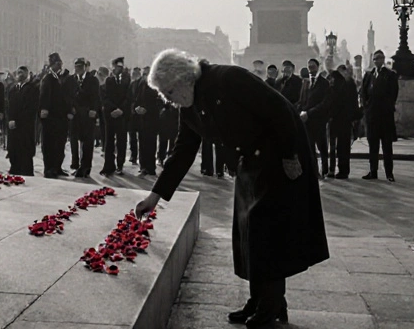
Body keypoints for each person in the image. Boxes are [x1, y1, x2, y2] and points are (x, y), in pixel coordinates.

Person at [133, 50, 328, 328]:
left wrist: (289, 156)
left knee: (267, 231)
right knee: (248, 231)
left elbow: (280, 110)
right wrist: (155, 195)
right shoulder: (187, 104)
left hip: (279, 152)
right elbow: (184, 150)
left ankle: (271, 305)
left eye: (169, 91)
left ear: (184, 79)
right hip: (250, 160)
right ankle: (260, 299)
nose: (167, 100)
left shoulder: (229, 78)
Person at [360, 51, 398, 181]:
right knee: (373, 146)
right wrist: (366, 108)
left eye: (379, 58)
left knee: (387, 146)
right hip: (372, 116)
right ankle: (373, 171)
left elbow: (393, 94)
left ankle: (389, 173)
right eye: (375, 59)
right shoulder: (369, 75)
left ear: (383, 59)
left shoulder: (390, 75)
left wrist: (386, 107)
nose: (376, 61)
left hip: (385, 116)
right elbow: (363, 93)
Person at [297, 58, 332, 178]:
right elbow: (302, 101)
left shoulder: (324, 83)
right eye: (309, 67)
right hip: (306, 120)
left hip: (318, 120)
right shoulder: (305, 83)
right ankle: (314, 171)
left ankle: (325, 170)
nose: (311, 69)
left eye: (313, 67)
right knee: (310, 148)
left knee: (322, 147)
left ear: (318, 67)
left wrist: (309, 113)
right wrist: (300, 111)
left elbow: (325, 103)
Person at [39, 53, 71, 178]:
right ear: (52, 65)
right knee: (49, 143)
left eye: (60, 63)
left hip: (60, 116)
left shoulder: (60, 78)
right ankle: (49, 168)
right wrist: (44, 109)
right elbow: (44, 96)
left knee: (60, 142)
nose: (60, 66)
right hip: (50, 116)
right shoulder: (47, 78)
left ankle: (57, 167)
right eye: (57, 64)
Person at [6, 66, 40, 176]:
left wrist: (18, 121)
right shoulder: (12, 89)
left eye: (22, 72)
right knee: (13, 147)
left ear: (27, 75)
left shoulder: (32, 89)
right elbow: (8, 106)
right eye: (18, 72)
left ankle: (26, 170)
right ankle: (14, 168)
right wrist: (10, 119)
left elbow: (30, 109)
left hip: (25, 125)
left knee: (25, 148)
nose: (20, 74)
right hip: (12, 125)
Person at [100, 58, 131, 176]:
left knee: (121, 141)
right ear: (113, 67)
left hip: (121, 115)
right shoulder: (109, 81)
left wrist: (121, 109)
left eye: (121, 67)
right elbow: (105, 98)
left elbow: (128, 97)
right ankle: (109, 165)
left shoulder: (126, 81)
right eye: (117, 67)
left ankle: (120, 165)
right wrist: (113, 109)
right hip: (110, 115)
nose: (119, 69)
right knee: (109, 141)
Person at [327, 64, 359, 179]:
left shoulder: (343, 83)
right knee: (341, 147)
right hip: (343, 119)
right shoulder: (348, 83)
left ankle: (339, 170)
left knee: (339, 146)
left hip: (339, 118)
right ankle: (341, 170)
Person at [133, 64, 162, 177]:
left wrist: (147, 109)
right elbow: (135, 98)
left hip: (152, 118)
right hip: (141, 118)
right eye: (144, 74)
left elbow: (159, 102)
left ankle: (150, 167)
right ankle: (143, 166)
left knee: (151, 143)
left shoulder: (156, 86)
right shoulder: (140, 84)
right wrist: (136, 108)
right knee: (142, 142)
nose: (145, 76)